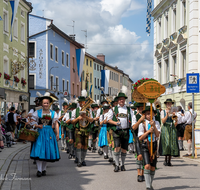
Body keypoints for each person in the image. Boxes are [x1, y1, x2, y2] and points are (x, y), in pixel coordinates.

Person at [30, 92, 60, 177]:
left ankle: (44, 169)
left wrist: (57, 134)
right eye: (44, 103)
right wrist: (37, 125)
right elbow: (31, 122)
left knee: (46, 150)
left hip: (49, 133)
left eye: (47, 103)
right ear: (41, 104)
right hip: (40, 133)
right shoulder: (37, 112)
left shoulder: (53, 113)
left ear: (49, 104)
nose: (46, 104)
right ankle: (39, 170)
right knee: (40, 150)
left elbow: (56, 123)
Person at [108, 86, 134, 172]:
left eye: (123, 99)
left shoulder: (129, 109)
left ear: (124, 100)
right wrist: (115, 123)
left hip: (126, 130)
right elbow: (108, 119)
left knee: (124, 149)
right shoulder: (114, 109)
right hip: (117, 131)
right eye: (120, 99)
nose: (121, 101)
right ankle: (116, 164)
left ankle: (122, 164)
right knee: (116, 148)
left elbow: (133, 119)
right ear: (118, 101)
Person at [138, 106, 160, 190]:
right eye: (147, 114)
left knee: (153, 167)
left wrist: (154, 126)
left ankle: (150, 184)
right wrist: (148, 132)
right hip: (145, 146)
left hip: (153, 145)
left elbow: (157, 135)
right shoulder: (142, 124)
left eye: (151, 113)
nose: (149, 115)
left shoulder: (157, 122)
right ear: (145, 115)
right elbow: (140, 138)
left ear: (154, 114)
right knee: (147, 166)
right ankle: (148, 187)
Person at [71, 90, 94, 167]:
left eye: (83, 102)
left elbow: (92, 120)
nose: (82, 103)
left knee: (85, 146)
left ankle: (83, 159)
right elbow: (72, 121)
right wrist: (78, 118)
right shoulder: (75, 111)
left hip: (86, 129)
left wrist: (86, 117)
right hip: (78, 130)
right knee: (79, 145)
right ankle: (79, 161)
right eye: (80, 102)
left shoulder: (89, 110)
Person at [159, 99, 179, 166]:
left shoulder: (173, 111)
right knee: (166, 144)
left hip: (172, 127)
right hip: (165, 128)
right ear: (166, 104)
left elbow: (176, 121)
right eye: (168, 104)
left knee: (172, 144)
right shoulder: (163, 111)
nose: (169, 105)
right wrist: (167, 114)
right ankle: (165, 159)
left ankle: (169, 161)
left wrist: (174, 116)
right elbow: (163, 121)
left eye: (170, 104)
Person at [132, 102, 145, 182]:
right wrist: (140, 120)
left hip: (147, 138)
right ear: (137, 109)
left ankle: (142, 174)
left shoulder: (148, 115)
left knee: (144, 156)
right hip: (138, 137)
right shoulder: (135, 116)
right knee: (139, 156)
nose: (141, 109)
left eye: (142, 107)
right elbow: (134, 127)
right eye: (140, 107)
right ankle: (138, 173)